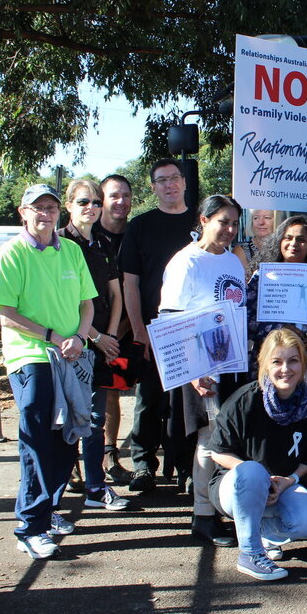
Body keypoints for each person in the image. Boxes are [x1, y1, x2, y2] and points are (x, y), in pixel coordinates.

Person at [0, 184, 96, 559]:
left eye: (51, 207)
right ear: (23, 212)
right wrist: (52, 336)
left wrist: (80, 337)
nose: (45, 213)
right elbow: (6, 313)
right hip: (31, 357)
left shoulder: (71, 251)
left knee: (68, 434)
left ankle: (48, 509)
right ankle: (30, 526)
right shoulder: (12, 253)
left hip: (71, 356)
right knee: (36, 436)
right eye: (38, 208)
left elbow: (87, 304)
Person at [159, 195, 248, 547]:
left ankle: (221, 508)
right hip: (203, 368)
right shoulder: (186, 262)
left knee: (227, 438)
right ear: (203, 219)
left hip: (232, 364)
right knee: (208, 441)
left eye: (233, 223)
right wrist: (194, 371)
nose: (228, 229)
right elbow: (170, 318)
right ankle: (202, 516)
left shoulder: (233, 260)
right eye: (222, 221)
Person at [209, 329, 307, 580]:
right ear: (263, 365)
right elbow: (218, 452)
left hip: (281, 486)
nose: (286, 369)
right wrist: (259, 480)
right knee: (253, 471)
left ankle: (264, 533)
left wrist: (289, 480)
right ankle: (250, 554)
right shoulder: (246, 400)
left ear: (303, 364)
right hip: (237, 487)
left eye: (293, 360)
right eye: (277, 361)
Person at [120, 159, 197, 493]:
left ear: (184, 182)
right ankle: (143, 465)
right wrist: (139, 329)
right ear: (153, 187)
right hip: (154, 329)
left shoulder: (201, 220)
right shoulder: (140, 226)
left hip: (194, 329)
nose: (170, 185)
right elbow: (130, 283)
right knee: (148, 400)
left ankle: (186, 467)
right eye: (162, 180)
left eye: (175, 178)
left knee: (188, 404)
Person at [59, 180, 129, 512]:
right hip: (71, 346)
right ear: (69, 205)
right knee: (65, 419)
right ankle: (56, 494)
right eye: (84, 201)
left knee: (96, 419)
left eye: (96, 202)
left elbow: (116, 296)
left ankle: (96, 486)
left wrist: (110, 337)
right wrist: (97, 338)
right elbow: (61, 304)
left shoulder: (103, 243)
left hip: (102, 345)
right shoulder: (57, 243)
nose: (92, 207)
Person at [246, 215, 307, 392]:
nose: (294, 243)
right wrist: (281, 328)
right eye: (288, 238)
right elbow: (247, 320)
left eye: (301, 239)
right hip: (274, 372)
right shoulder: (263, 277)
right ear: (279, 241)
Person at [93, 174, 134, 485]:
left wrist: (119, 329)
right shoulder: (86, 235)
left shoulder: (136, 233)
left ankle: (110, 456)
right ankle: (78, 463)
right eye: (113, 196)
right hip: (85, 330)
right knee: (79, 399)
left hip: (125, 332)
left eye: (125, 195)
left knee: (112, 393)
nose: (120, 201)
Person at [233, 209, 277, 275]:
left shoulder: (285, 247)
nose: (261, 222)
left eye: (267, 217)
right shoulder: (241, 250)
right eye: (256, 218)